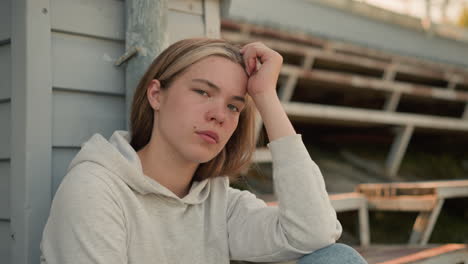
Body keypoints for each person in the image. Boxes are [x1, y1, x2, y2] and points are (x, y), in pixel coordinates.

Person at [39, 38, 367, 264]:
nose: (219, 115)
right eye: (202, 92)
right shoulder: (96, 189)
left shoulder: (219, 203)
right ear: (156, 94)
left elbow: (315, 232)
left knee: (336, 258)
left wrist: (265, 96)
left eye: (234, 107)